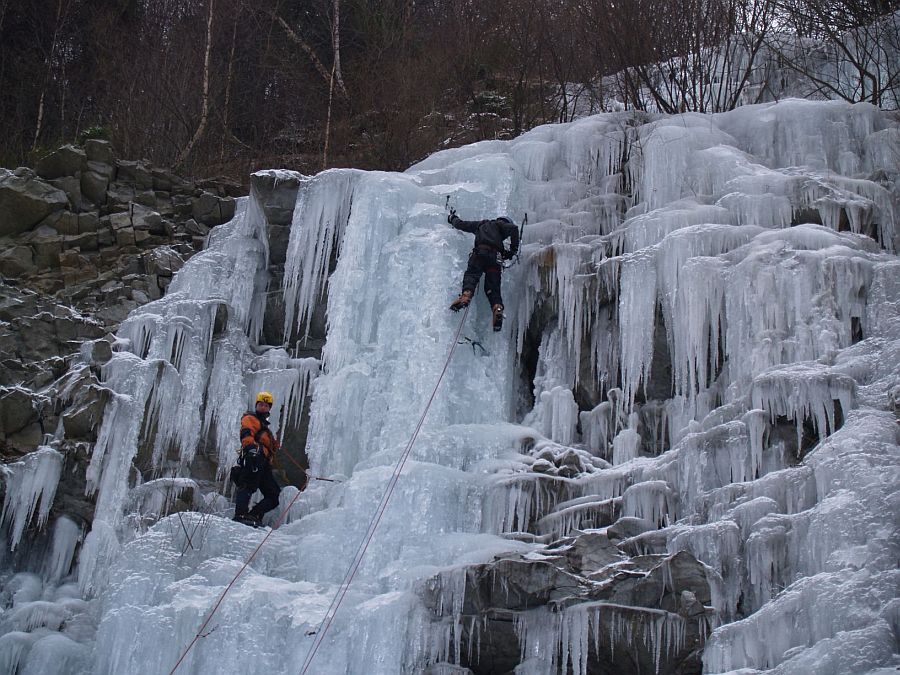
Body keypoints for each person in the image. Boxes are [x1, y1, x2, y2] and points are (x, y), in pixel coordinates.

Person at [447, 210, 520, 331]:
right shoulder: (501, 225)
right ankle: (497, 307)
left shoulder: (481, 224)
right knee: (493, 288)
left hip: (479, 254)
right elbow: (514, 228)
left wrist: (452, 218)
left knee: (472, 275)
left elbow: (461, 224)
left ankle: (465, 296)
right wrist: (513, 250)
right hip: (495, 260)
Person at [232, 391, 282, 527]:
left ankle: (254, 515)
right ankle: (240, 515)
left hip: (264, 463)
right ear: (256, 405)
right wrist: (251, 449)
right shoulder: (250, 418)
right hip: (254, 456)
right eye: (261, 404)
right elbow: (246, 432)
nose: (263, 407)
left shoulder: (265, 427)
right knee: (247, 485)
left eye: (266, 405)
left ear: (269, 408)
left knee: (274, 495)